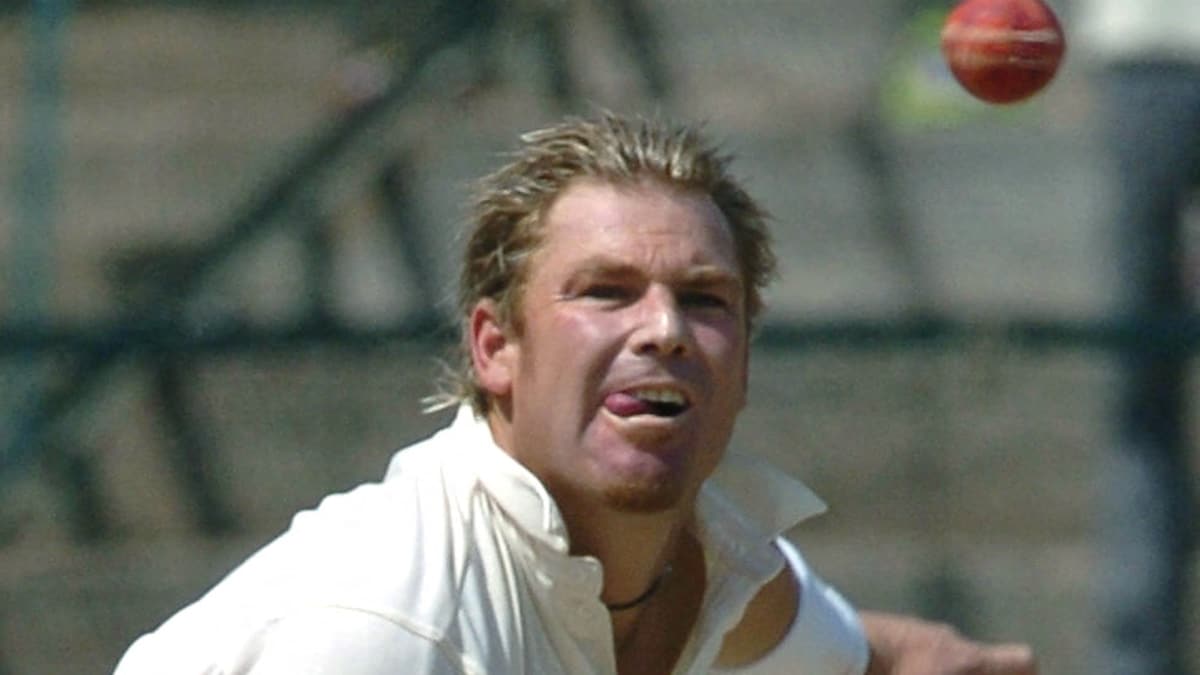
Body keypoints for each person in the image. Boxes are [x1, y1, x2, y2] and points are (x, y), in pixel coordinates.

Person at [113, 113, 1036, 674]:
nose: (664, 328)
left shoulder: (712, 563)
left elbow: (828, 644)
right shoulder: (389, 628)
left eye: (705, 300)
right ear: (494, 347)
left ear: (745, 364)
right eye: (605, 291)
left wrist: (933, 657)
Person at [1075, 2, 1200, 673]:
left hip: (1142, 66)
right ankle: (1137, 657)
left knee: (1144, 396)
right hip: (1142, 56)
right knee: (1144, 389)